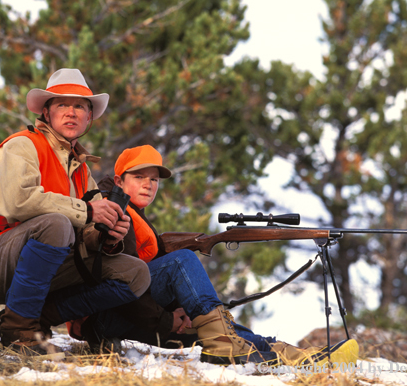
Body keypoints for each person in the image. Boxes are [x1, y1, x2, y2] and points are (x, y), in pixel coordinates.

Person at [68, 145, 359, 367]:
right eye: (140, 176)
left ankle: (289, 355)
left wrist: (175, 315)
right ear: (119, 180)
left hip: (126, 314)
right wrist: (168, 320)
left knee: (216, 328)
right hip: (104, 318)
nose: (149, 184)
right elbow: (123, 280)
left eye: (154, 179)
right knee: (183, 262)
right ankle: (233, 346)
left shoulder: (135, 214)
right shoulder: (112, 211)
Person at [0, 69, 151, 356]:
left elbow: (89, 229)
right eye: (62, 104)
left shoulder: (81, 169)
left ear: (89, 117)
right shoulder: (21, 145)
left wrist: (108, 236)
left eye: (80, 106)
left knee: (136, 273)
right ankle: (17, 332)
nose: (71, 113)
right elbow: (17, 203)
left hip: (43, 267)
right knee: (56, 224)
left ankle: (40, 318)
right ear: (46, 113)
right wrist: (87, 210)